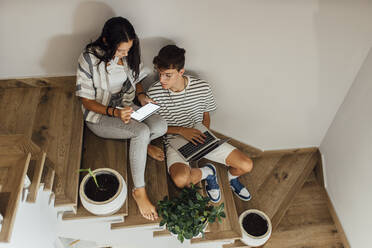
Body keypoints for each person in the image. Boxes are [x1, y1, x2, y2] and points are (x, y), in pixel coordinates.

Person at [75, 17, 167, 220]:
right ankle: (139, 191)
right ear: (107, 41)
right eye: (121, 50)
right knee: (141, 131)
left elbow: (137, 78)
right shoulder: (89, 58)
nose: (126, 54)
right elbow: (86, 101)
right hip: (100, 114)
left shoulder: (129, 53)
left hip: (124, 104)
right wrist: (114, 113)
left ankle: (140, 145)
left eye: (129, 50)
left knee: (160, 125)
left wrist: (141, 96)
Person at [147, 45, 253, 202]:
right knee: (181, 180)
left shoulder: (202, 87)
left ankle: (230, 179)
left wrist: (205, 135)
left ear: (181, 72)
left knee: (246, 165)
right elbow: (148, 125)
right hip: (173, 140)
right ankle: (208, 172)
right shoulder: (153, 93)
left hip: (200, 137)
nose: (162, 79)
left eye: (168, 75)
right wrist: (180, 131)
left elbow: (206, 115)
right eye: (160, 74)